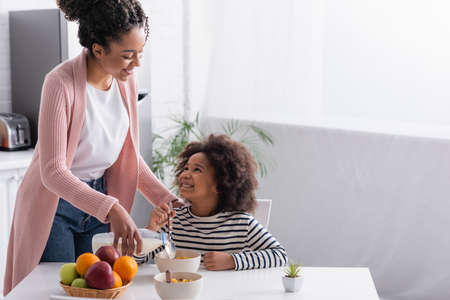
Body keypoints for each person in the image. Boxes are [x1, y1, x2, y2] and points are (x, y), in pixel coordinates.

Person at [3, 0, 177, 296]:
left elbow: (127, 154)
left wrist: (167, 199)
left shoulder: (126, 82)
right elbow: (53, 171)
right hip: (56, 207)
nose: (136, 65)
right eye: (127, 55)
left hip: (100, 203)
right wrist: (111, 208)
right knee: (56, 290)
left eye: (140, 54)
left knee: (99, 290)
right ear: (98, 50)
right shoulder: (59, 83)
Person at [139, 134, 288, 270]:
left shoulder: (242, 224)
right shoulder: (173, 221)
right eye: (186, 168)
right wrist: (150, 231)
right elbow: (135, 262)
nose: (185, 174)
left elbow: (280, 255)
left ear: (220, 183)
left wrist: (232, 260)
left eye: (197, 170)